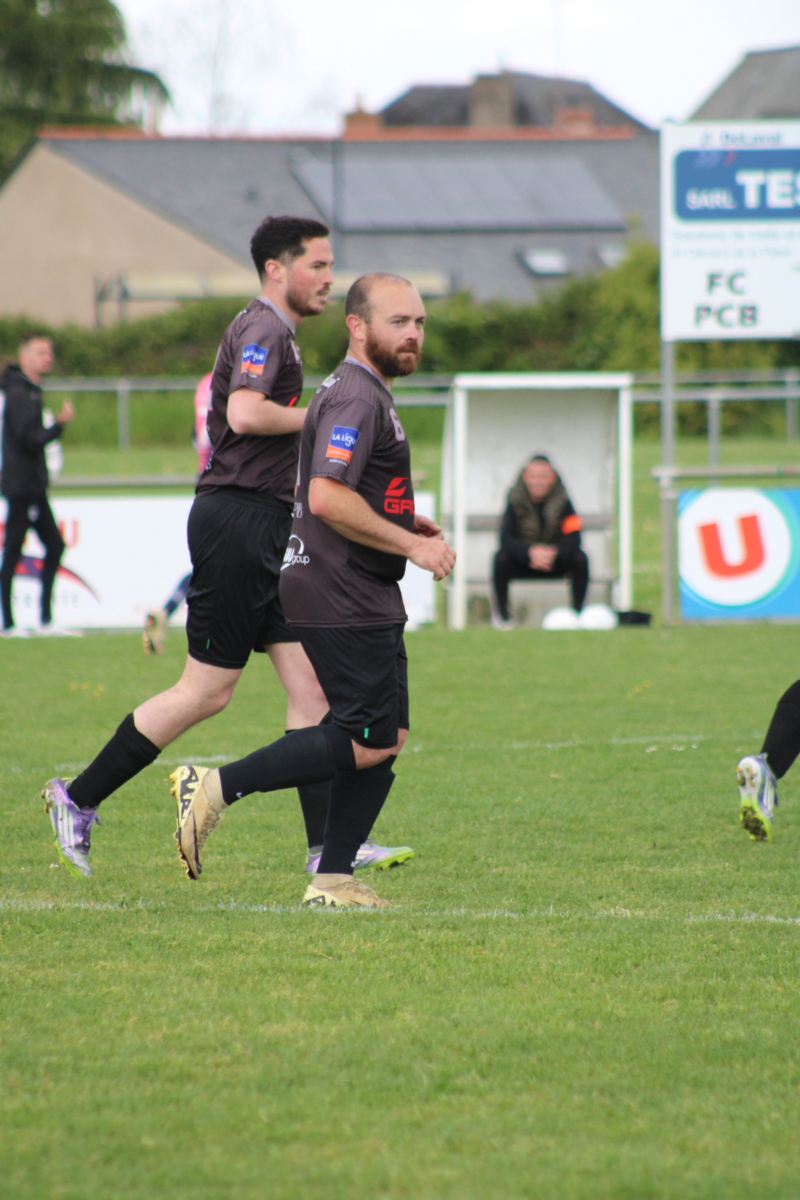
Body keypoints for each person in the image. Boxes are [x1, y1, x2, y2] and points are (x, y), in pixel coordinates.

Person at [41, 219, 412, 879]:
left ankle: (329, 850)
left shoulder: (276, 331)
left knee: (313, 691)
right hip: (239, 522)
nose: (329, 279)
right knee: (206, 691)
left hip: (265, 524)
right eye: (317, 265)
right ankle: (77, 798)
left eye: (331, 266)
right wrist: (324, 412)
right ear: (277, 268)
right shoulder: (265, 327)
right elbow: (243, 413)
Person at [172, 273, 456, 909]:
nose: (412, 334)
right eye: (398, 322)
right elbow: (326, 496)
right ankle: (216, 787)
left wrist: (400, 519)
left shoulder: (355, 391)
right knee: (365, 736)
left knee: (387, 734)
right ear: (357, 326)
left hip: (353, 582)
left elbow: (334, 485)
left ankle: (332, 877)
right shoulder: (356, 396)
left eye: (419, 323)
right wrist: (412, 546)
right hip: (340, 586)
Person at [1, 335, 75, 637]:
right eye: (41, 352)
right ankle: (8, 624)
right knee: (13, 551)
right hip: (22, 488)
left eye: (49, 352)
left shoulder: (30, 391)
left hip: (33, 487)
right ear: (24, 356)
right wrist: (58, 426)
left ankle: (45, 619)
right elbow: (28, 439)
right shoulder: (19, 393)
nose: (48, 357)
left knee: (55, 546)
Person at [490, 454, 588, 630]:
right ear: (525, 477)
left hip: (555, 560)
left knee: (581, 559)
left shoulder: (564, 500)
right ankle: (503, 620)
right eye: (534, 476)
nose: (538, 482)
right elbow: (505, 538)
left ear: (552, 478)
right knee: (500, 559)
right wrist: (529, 553)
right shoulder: (514, 499)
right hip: (524, 561)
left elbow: (575, 536)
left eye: (543, 476)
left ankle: (577, 617)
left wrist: (555, 553)